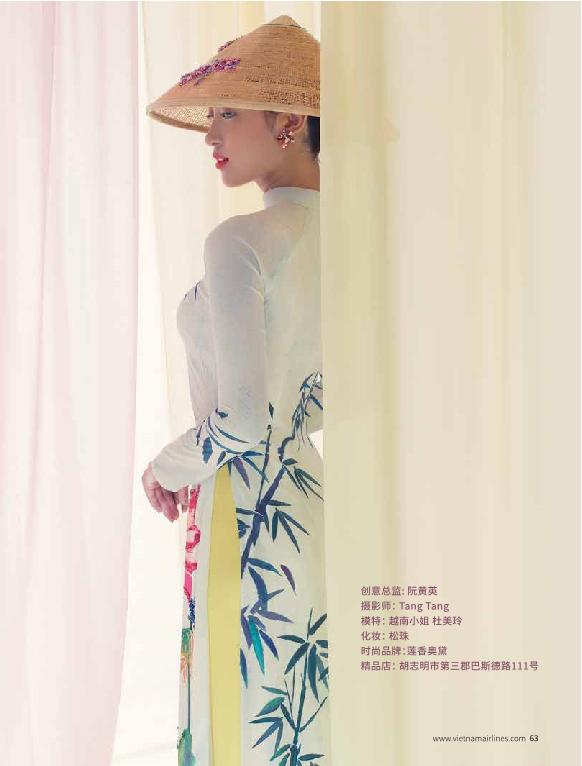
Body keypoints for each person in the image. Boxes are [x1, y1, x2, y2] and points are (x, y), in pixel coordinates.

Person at [142, 15, 328, 766]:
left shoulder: (241, 242)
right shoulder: (358, 242)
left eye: (227, 112)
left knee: (238, 725)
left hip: (245, 509)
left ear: (289, 120)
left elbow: (245, 421)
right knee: (305, 723)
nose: (210, 133)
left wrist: (167, 465)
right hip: (309, 505)